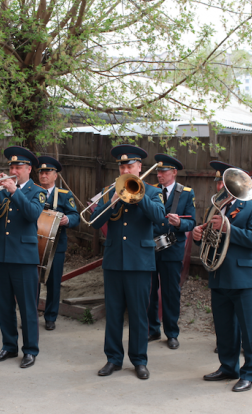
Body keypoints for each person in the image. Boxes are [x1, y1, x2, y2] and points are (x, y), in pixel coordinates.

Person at [90, 144, 165, 380]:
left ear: (139, 167)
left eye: (130, 165)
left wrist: (138, 196)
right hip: (114, 261)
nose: (125, 168)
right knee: (113, 313)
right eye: (122, 165)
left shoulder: (152, 192)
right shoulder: (109, 190)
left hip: (140, 262)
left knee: (138, 314)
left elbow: (160, 217)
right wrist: (112, 199)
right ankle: (113, 359)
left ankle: (139, 360)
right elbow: (94, 221)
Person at [193, 160, 252, 392]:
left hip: (245, 278)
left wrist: (228, 229)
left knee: (250, 330)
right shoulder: (216, 206)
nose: (224, 186)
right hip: (219, 276)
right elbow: (209, 239)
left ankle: (251, 373)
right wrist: (198, 235)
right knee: (224, 328)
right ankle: (228, 367)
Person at [0, 146, 46, 369]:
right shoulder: (0, 190)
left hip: (24, 257)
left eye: (18, 167)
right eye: (11, 166)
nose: (13, 170)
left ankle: (30, 350)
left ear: (28, 169)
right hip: (1, 255)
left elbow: (33, 214)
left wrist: (15, 191)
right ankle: (8, 346)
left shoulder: (36, 191)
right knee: (4, 305)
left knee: (27, 306)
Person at [147, 154, 196, 349]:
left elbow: (192, 222)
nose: (160, 175)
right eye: (158, 171)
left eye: (164, 171)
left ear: (174, 172)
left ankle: (172, 333)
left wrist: (180, 223)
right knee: (149, 291)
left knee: (170, 292)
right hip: (150, 247)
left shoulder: (185, 193)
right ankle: (152, 329)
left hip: (172, 247)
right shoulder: (150, 191)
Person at [36, 156, 80, 331]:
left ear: (56, 175)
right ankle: (30, 315)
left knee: (53, 282)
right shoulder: (32, 191)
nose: (44, 175)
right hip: (33, 243)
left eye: (47, 172)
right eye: (41, 172)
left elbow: (76, 217)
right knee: (33, 282)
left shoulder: (64, 195)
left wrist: (67, 219)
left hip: (56, 245)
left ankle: (50, 317)